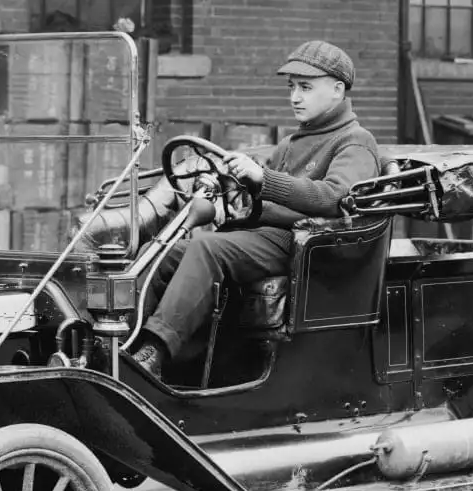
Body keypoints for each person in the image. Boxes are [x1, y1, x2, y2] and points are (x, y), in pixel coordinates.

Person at [129, 40, 382, 379]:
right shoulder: (290, 144)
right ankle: (124, 342)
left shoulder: (355, 141)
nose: (295, 97)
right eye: (292, 87)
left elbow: (333, 198)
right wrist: (233, 198)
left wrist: (263, 179)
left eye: (305, 87)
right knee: (159, 251)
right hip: (269, 239)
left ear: (338, 90)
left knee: (207, 248)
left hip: (307, 251)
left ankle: (154, 352)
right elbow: (262, 204)